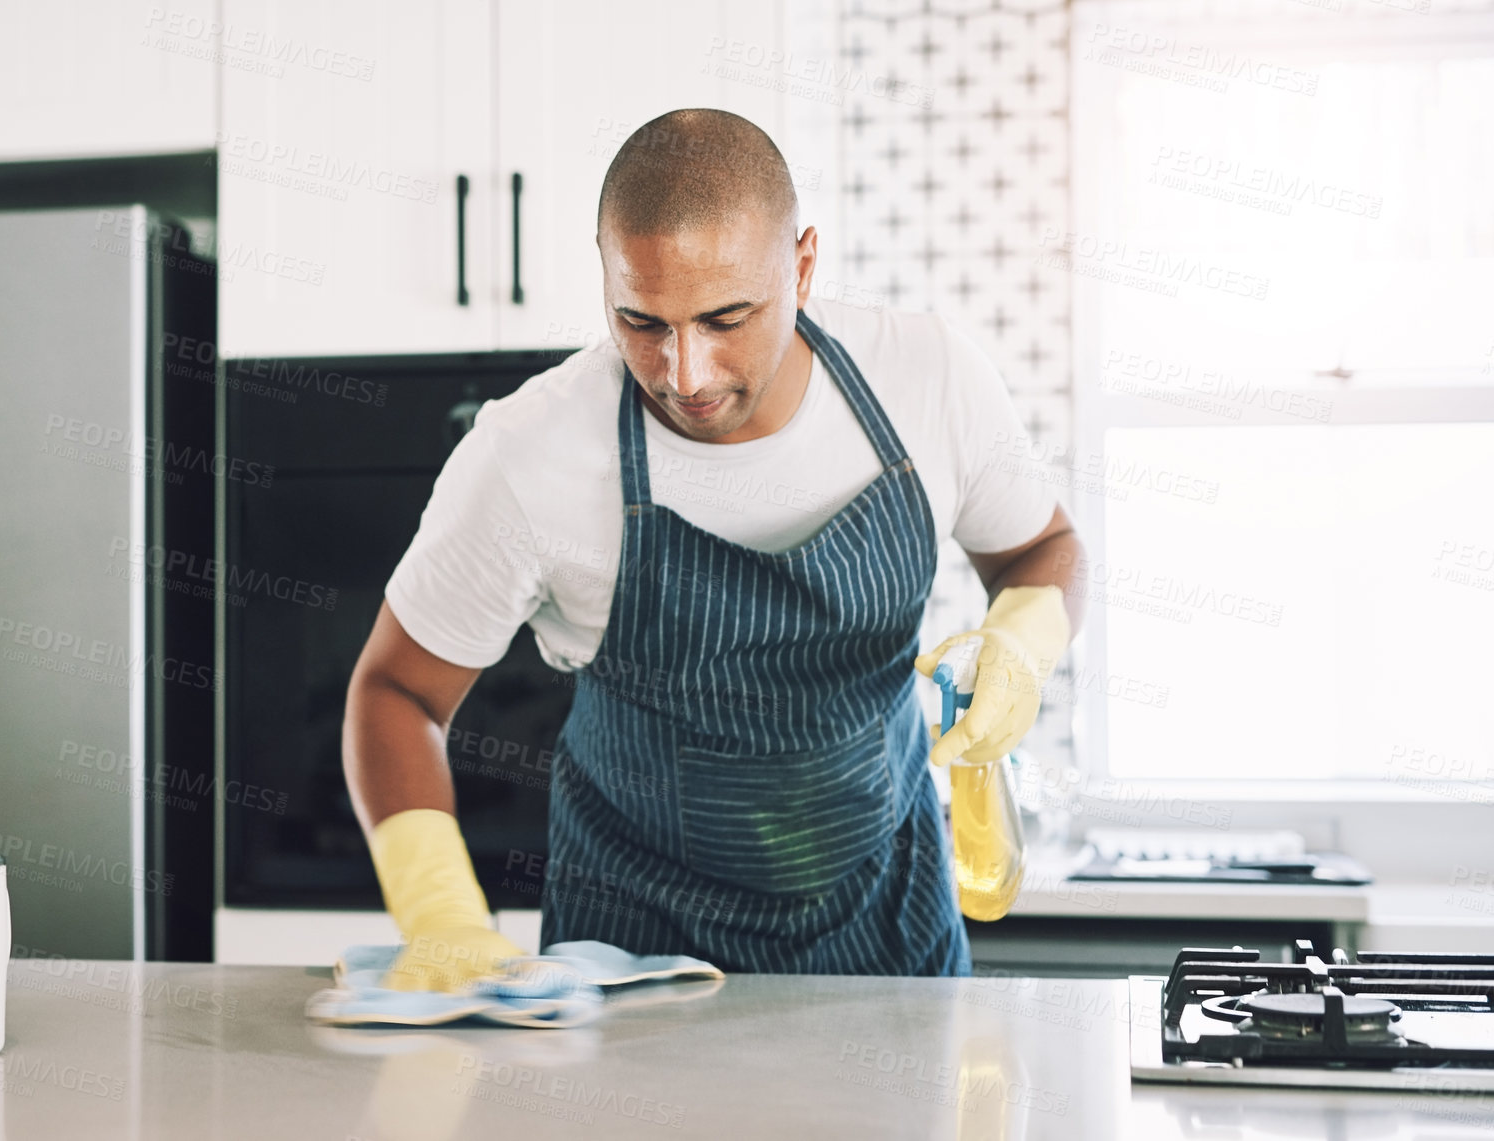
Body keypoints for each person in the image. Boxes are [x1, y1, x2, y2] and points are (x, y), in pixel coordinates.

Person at [343, 108, 1085, 988]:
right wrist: (442, 916)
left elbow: (1044, 546)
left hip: (889, 932)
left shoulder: (928, 378)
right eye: (642, 321)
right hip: (629, 958)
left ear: (803, 266)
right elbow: (393, 692)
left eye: (726, 317)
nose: (683, 373)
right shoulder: (528, 452)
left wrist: (1021, 646)